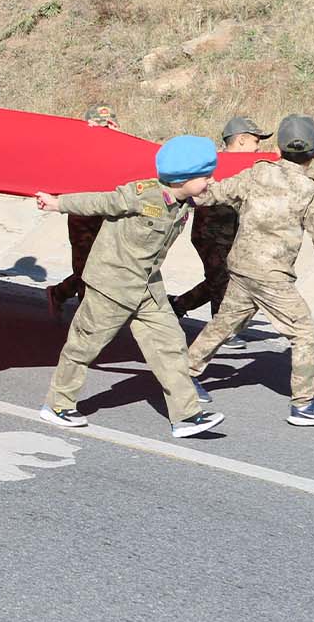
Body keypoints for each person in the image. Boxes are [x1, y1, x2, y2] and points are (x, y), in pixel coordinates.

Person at [33, 136, 227, 439]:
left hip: (148, 287)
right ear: (182, 178)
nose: (210, 181)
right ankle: (57, 405)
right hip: (112, 284)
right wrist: (59, 203)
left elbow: (222, 193)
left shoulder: (184, 201)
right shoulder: (143, 195)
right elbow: (100, 201)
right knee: (84, 346)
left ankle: (186, 416)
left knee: (171, 345)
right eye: (205, 176)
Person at [184, 116, 314, 427]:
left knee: (225, 323)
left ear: (278, 149)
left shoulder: (259, 172)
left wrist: (181, 193)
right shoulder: (310, 192)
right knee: (304, 332)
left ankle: (184, 375)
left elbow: (220, 192)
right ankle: (304, 405)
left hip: (242, 267)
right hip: (271, 276)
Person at [172, 116, 269, 320]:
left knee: (220, 279)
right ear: (241, 139)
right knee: (222, 279)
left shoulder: (248, 168)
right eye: (256, 141)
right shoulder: (213, 164)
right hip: (210, 235)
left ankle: (178, 305)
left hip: (230, 235)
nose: (258, 148)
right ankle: (221, 326)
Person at [47, 103, 120, 316]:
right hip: (82, 215)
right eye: (98, 126)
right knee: (85, 270)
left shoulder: (118, 150)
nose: (103, 132)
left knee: (103, 268)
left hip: (107, 216)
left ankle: (59, 293)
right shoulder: (77, 148)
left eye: (107, 127)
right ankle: (85, 321)